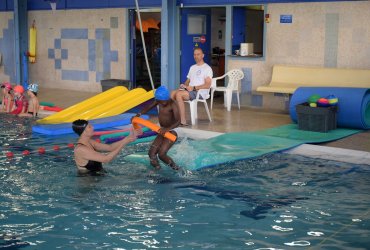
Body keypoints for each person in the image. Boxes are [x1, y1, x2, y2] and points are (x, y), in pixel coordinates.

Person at [134, 86, 181, 171]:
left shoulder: (173, 104)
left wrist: (167, 129)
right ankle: (157, 169)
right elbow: (148, 107)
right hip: (162, 130)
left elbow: (178, 121)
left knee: (162, 154)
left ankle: (177, 170)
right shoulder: (158, 101)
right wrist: (138, 114)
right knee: (151, 153)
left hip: (172, 131)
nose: (162, 103)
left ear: (167, 98)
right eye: (160, 101)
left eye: (164, 102)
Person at [72, 119, 142, 174]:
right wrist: (124, 143)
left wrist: (128, 138)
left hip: (99, 176)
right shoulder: (81, 149)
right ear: (84, 131)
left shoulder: (89, 141)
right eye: (90, 127)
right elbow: (106, 159)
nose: (93, 127)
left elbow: (110, 147)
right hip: (88, 181)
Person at [171, 47, 213, 126]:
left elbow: (208, 85)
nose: (196, 56)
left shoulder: (207, 68)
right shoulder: (192, 67)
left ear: (202, 55)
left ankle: (182, 121)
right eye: (194, 55)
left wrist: (193, 88)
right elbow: (188, 81)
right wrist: (184, 85)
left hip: (200, 92)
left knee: (179, 94)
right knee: (172, 93)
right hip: (190, 91)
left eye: (198, 54)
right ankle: (173, 118)